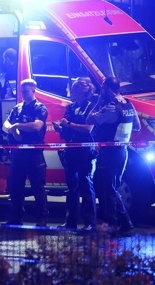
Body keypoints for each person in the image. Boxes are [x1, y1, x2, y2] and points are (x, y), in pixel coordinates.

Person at [87, 76, 140, 234]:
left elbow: (89, 119)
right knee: (112, 187)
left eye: (102, 88)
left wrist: (97, 104)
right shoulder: (128, 104)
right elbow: (136, 126)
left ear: (109, 90)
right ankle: (123, 222)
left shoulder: (111, 107)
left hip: (108, 152)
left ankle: (115, 222)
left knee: (107, 188)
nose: (101, 91)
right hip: (122, 151)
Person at [2, 78, 49, 227]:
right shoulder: (17, 108)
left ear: (34, 91)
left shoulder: (40, 108)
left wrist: (17, 126)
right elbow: (5, 124)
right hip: (17, 153)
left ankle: (41, 218)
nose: (23, 94)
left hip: (33, 153)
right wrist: (12, 129)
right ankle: (15, 217)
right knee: (16, 186)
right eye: (21, 91)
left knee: (38, 186)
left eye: (26, 91)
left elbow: (36, 126)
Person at [52, 77, 97, 230]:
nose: (71, 92)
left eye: (74, 89)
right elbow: (66, 126)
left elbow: (88, 128)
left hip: (85, 149)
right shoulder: (71, 107)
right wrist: (60, 127)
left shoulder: (92, 106)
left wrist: (68, 124)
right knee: (72, 186)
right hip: (71, 148)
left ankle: (90, 222)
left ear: (83, 91)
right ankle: (70, 222)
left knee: (86, 183)